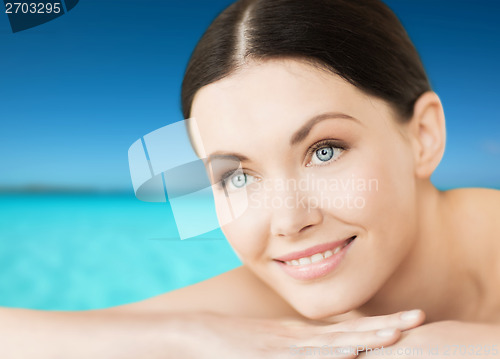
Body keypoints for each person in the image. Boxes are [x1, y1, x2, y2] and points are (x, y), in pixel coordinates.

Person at [1, 0, 499, 358]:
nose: (286, 221)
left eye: (324, 151)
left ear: (425, 136)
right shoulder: (286, 290)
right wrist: (187, 337)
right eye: (237, 176)